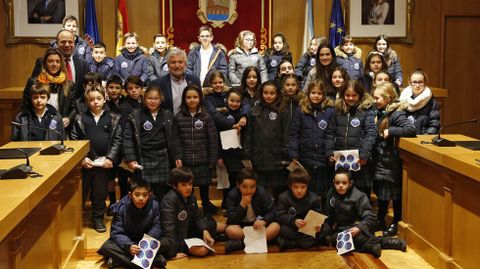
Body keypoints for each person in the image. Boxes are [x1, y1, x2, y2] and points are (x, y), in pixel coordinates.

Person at [319, 167, 407, 258]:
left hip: (360, 228)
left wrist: (359, 228)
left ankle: (389, 242)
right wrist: (322, 228)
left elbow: (371, 217)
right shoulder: (331, 194)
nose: (340, 186)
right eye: (337, 183)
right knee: (331, 238)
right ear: (334, 183)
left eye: (344, 183)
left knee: (347, 238)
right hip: (343, 229)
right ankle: (370, 246)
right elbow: (329, 216)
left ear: (350, 183)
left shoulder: (359, 196)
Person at [70, 85, 122, 233]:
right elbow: (74, 140)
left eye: (98, 98)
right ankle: (74, 219)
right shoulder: (80, 118)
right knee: (81, 192)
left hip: (103, 164)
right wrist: (82, 158)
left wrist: (110, 158)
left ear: (104, 98)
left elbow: (117, 140)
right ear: (87, 101)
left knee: (100, 192)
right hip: (86, 163)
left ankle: (98, 217)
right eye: (91, 99)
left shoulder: (113, 118)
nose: (95, 102)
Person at [123, 85, 182, 200]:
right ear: (144, 99)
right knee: (145, 190)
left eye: (156, 98)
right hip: (144, 157)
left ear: (161, 99)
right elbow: (128, 138)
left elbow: (175, 138)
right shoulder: (136, 115)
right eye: (150, 98)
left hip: (163, 157)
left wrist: (178, 156)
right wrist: (130, 158)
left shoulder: (168, 115)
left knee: (162, 191)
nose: (153, 101)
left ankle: (160, 214)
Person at [372, 82, 416, 237]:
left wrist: (390, 130)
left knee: (394, 195)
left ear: (388, 98)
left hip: (391, 161)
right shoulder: (379, 111)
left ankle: (396, 222)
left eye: (377, 97)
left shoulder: (396, 113)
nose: (374, 100)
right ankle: (380, 219)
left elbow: (411, 129)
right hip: (380, 160)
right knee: (382, 193)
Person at [97, 180, 170, 268]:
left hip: (146, 242)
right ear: (130, 195)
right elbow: (117, 231)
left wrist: (146, 242)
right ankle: (153, 260)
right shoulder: (122, 207)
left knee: (166, 242)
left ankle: (119, 260)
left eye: (145, 194)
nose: (141, 198)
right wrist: (129, 245)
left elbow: (157, 226)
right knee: (107, 247)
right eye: (137, 194)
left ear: (149, 195)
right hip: (128, 242)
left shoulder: (155, 205)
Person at [161, 167, 225, 259]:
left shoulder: (191, 197)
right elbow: (169, 230)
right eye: (184, 185)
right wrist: (172, 253)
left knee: (223, 227)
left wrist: (204, 230)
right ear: (175, 186)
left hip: (190, 230)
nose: (188, 187)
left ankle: (219, 236)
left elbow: (198, 217)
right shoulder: (169, 200)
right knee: (202, 251)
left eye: (190, 184)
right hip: (178, 239)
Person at [326, 80, 377, 196]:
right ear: (343, 95)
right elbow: (330, 133)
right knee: (340, 193)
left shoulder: (367, 112)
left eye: (354, 95)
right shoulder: (337, 111)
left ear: (360, 95)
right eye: (347, 95)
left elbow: (371, 134)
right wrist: (329, 153)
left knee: (360, 194)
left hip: (359, 162)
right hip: (340, 161)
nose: (350, 98)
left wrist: (364, 156)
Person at [174, 84, 219, 215]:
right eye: (188, 97)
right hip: (186, 163)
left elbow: (213, 140)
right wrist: (178, 157)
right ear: (184, 99)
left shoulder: (206, 117)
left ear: (200, 98)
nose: (192, 100)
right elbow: (176, 141)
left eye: (195, 97)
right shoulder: (178, 117)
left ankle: (206, 213)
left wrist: (212, 161)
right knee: (189, 192)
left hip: (203, 161)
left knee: (205, 191)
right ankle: (190, 215)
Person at [288, 81, 335, 202]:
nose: (316, 96)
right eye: (313, 92)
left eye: (319, 93)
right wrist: (293, 153)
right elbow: (294, 134)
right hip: (306, 158)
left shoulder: (330, 111)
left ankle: (324, 217)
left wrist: (330, 153)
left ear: (324, 95)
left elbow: (332, 134)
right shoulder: (300, 110)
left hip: (323, 159)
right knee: (308, 191)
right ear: (308, 94)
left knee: (325, 192)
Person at [244, 81, 289, 198]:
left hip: (277, 157)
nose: (268, 96)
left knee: (279, 190)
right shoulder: (255, 109)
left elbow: (287, 134)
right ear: (261, 93)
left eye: (272, 93)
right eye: (265, 93)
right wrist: (247, 154)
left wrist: (287, 154)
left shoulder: (283, 110)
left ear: (277, 94)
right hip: (259, 156)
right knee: (260, 191)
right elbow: (249, 134)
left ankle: (278, 215)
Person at [224, 168, 280, 253]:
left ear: (256, 185)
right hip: (242, 227)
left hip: (258, 227)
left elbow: (273, 211)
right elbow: (232, 219)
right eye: (245, 187)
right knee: (230, 230)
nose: (249, 191)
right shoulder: (232, 195)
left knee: (275, 226)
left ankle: (241, 244)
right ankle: (263, 241)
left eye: (252, 187)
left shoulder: (261, 192)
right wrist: (242, 205)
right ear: (238, 185)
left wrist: (264, 220)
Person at [24, 48, 76, 129]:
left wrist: (69, 118)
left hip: (60, 127)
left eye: (57, 61)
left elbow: (74, 108)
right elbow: (25, 105)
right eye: (50, 61)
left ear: (61, 64)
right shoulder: (34, 82)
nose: (54, 64)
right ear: (45, 63)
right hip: (38, 126)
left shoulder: (69, 85)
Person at [276, 168, 323, 251]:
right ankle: (311, 242)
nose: (299, 190)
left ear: (307, 186)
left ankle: (292, 244)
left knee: (325, 228)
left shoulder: (314, 198)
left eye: (303, 187)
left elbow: (318, 215)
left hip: (309, 229)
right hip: (293, 228)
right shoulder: (283, 197)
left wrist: (318, 225)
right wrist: (293, 221)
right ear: (290, 186)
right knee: (283, 229)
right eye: (295, 187)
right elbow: (280, 215)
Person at [151, 47, 201, 115]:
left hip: (190, 122)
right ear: (168, 66)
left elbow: (200, 104)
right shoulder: (157, 84)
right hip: (168, 124)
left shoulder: (194, 81)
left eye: (180, 62)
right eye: (173, 62)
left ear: (185, 65)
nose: (177, 66)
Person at [399, 69, 440, 134]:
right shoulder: (403, 98)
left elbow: (434, 124)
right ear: (409, 83)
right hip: (405, 135)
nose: (417, 85)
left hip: (423, 137)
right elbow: (398, 120)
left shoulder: (432, 102)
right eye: (414, 82)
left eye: (420, 82)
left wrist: (426, 137)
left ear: (425, 83)